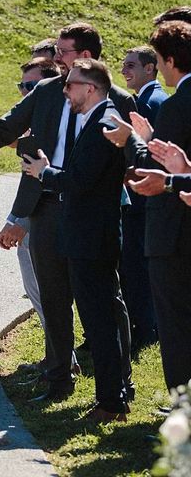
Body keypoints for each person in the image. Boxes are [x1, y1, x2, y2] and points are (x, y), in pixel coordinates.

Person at [0, 22, 136, 404]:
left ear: (84, 56)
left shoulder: (118, 100)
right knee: (53, 296)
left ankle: (119, 384)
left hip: (91, 213)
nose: (55, 58)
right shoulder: (47, 93)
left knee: (105, 300)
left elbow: (130, 157)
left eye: (62, 52)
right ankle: (59, 379)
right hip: (46, 208)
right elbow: (4, 129)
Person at [22, 59, 129, 422]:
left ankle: (112, 402)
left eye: (70, 85)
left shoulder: (104, 121)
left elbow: (81, 181)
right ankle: (111, 400)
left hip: (92, 238)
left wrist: (43, 172)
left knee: (98, 321)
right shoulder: (98, 118)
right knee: (97, 320)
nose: (65, 91)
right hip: (87, 235)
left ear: (91, 88)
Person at [104, 20, 191, 391]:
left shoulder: (177, 105)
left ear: (169, 61)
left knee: (175, 330)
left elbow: (153, 172)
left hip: (173, 234)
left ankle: (181, 416)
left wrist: (135, 139)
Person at [0, 57, 66, 373]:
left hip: (42, 218)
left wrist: (17, 221)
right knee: (41, 293)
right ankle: (55, 359)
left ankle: (63, 363)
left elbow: (36, 180)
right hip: (37, 215)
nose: (24, 91)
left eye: (30, 86)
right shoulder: (39, 116)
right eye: (21, 85)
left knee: (44, 293)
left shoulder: (50, 119)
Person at [119, 45, 168, 352]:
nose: (125, 70)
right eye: (123, 65)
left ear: (151, 68)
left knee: (137, 265)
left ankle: (146, 327)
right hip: (143, 198)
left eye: (131, 65)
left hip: (143, 199)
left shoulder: (151, 102)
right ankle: (144, 325)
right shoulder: (147, 99)